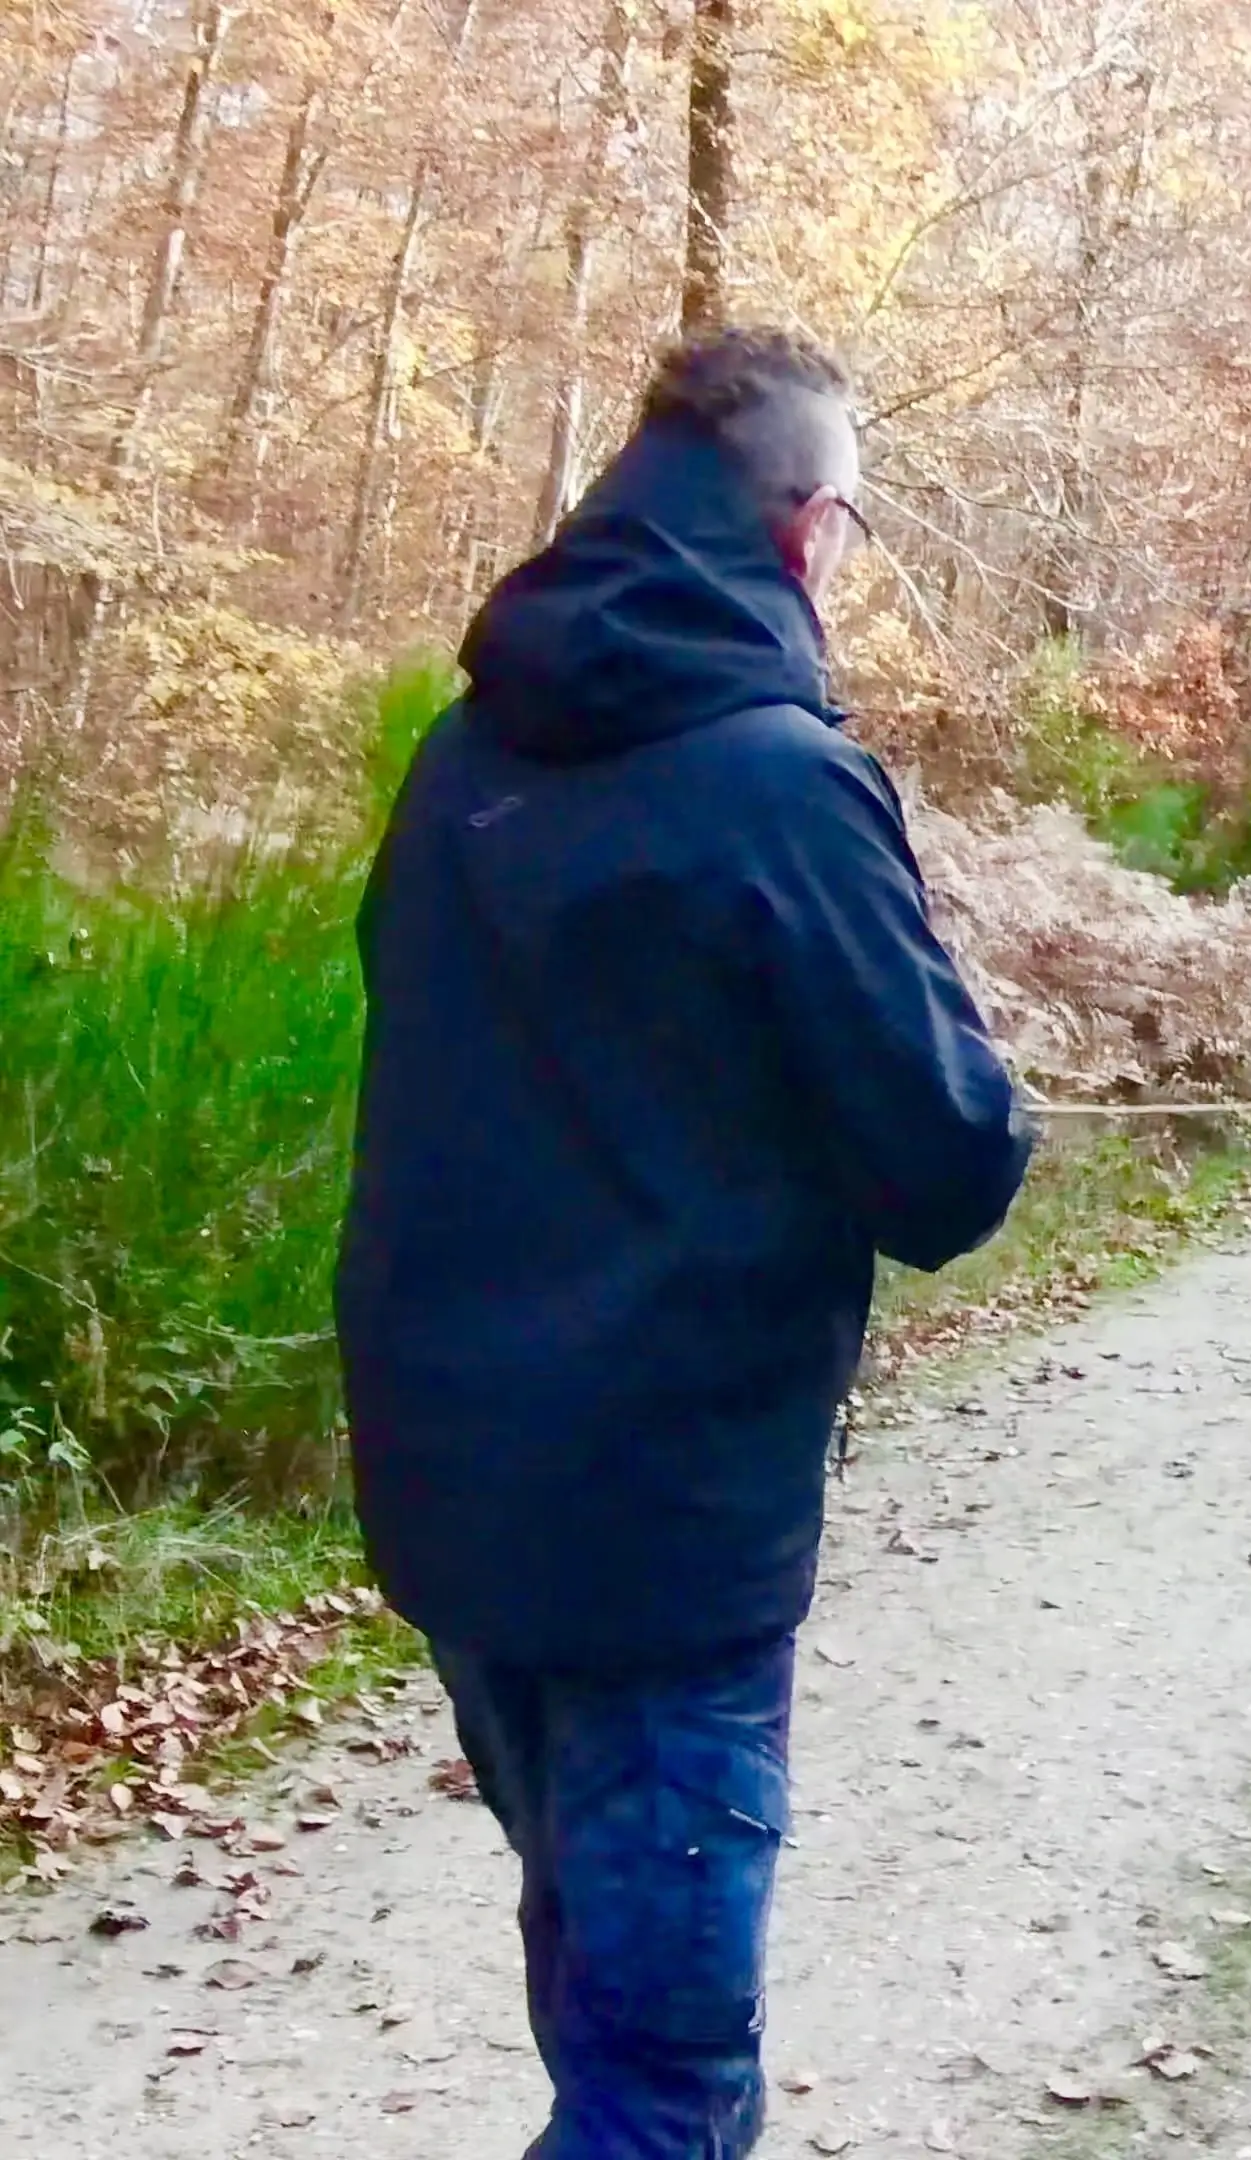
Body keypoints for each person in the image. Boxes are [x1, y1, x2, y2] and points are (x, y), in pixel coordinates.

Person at [335, 327, 1033, 2158]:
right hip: (665, 1541)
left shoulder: (456, 760)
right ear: (807, 535)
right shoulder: (780, 783)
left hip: (452, 1508)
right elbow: (948, 1168)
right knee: (661, 2090)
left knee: (600, 2000)